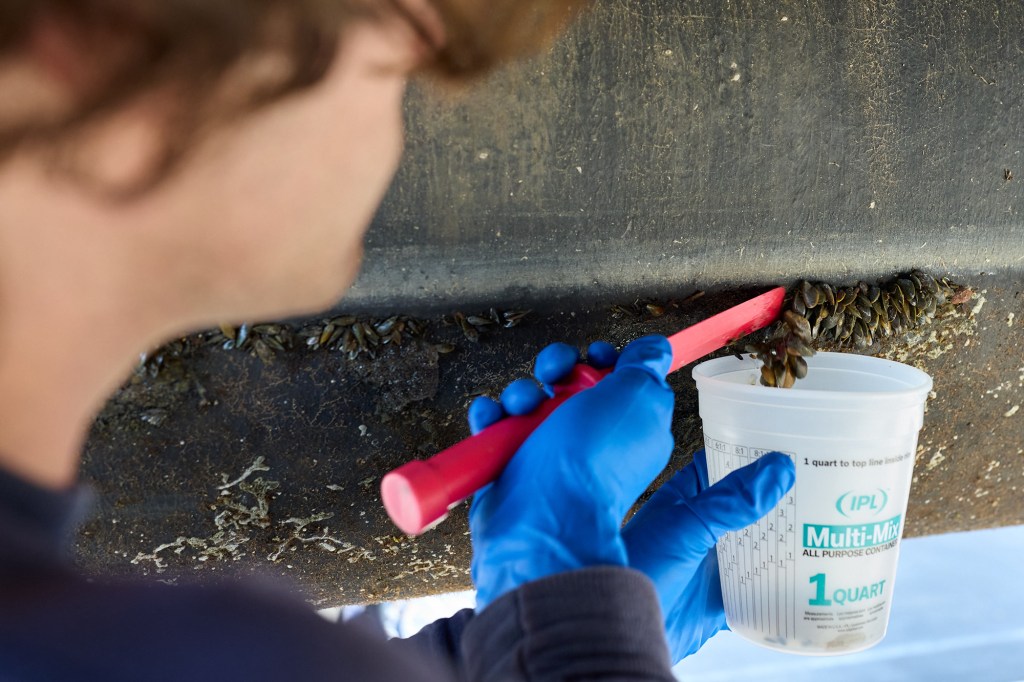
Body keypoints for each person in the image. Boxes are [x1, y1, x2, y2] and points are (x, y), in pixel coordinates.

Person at [0, 1, 795, 680]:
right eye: (393, 75)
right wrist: (578, 635)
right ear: (105, 41)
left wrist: (559, 625)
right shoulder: (220, 650)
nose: (396, 142)